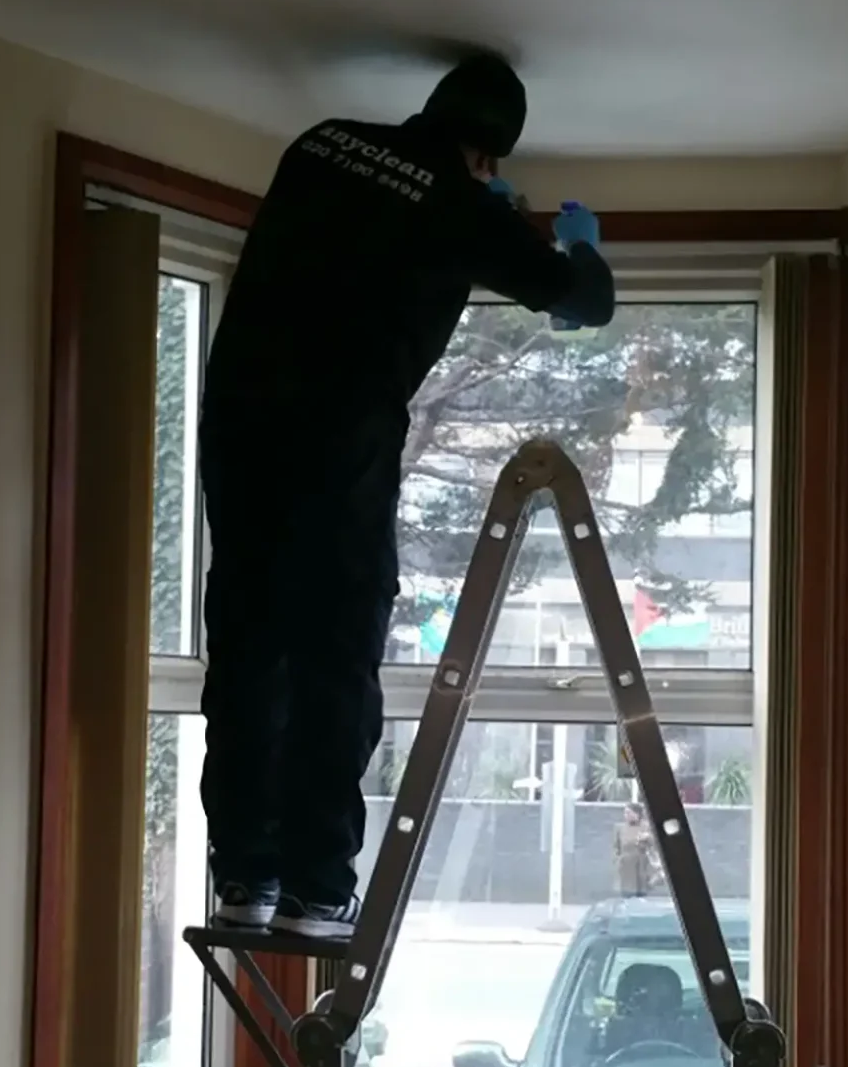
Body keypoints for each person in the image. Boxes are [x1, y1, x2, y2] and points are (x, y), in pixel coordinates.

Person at [199, 51, 616, 941]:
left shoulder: (323, 142)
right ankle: (316, 892)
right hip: (336, 439)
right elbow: (583, 301)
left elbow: (369, 224)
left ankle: (245, 877)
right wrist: (572, 242)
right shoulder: (464, 207)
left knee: (247, 644)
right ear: (488, 156)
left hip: (239, 422)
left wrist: (465, 218)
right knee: (336, 652)